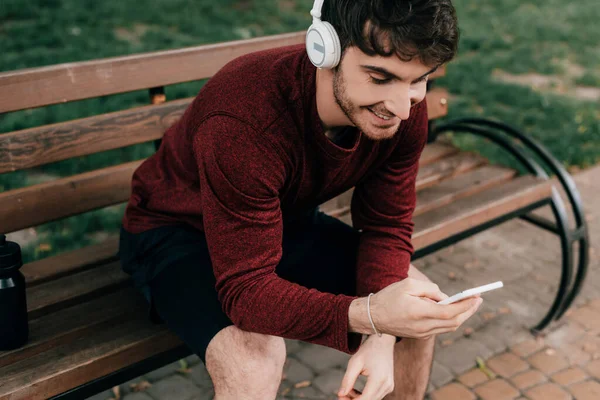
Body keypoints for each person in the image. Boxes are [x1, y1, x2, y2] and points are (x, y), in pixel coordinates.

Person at [119, 0, 482, 398]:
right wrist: (372, 316)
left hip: (280, 221)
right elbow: (247, 292)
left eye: (418, 80)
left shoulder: (404, 111)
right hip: (176, 232)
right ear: (322, 49)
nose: (400, 107)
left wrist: (383, 331)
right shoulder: (243, 122)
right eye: (379, 77)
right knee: (254, 361)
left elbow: (386, 226)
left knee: (420, 304)